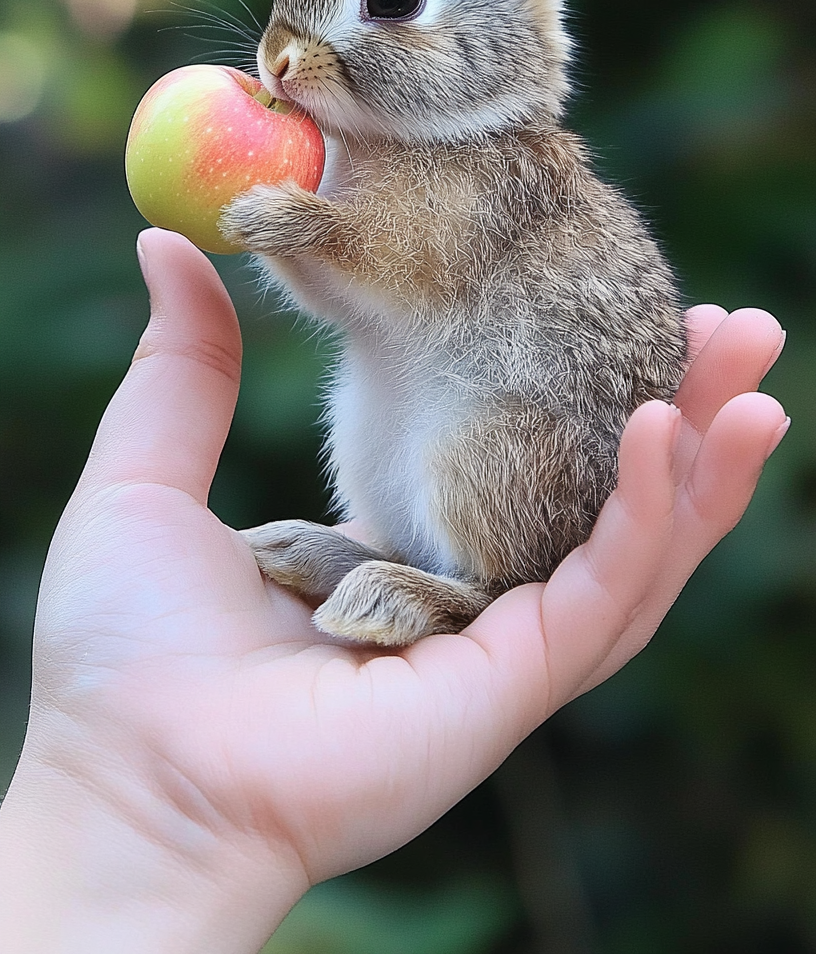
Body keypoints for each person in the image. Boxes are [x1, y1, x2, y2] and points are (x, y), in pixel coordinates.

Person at [0, 228, 788, 953]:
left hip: (508, 448)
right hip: (422, 448)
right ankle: (415, 575)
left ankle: (464, 590)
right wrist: (134, 786)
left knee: (471, 426)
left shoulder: (499, 168)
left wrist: (307, 224)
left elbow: (413, 258)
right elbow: (349, 287)